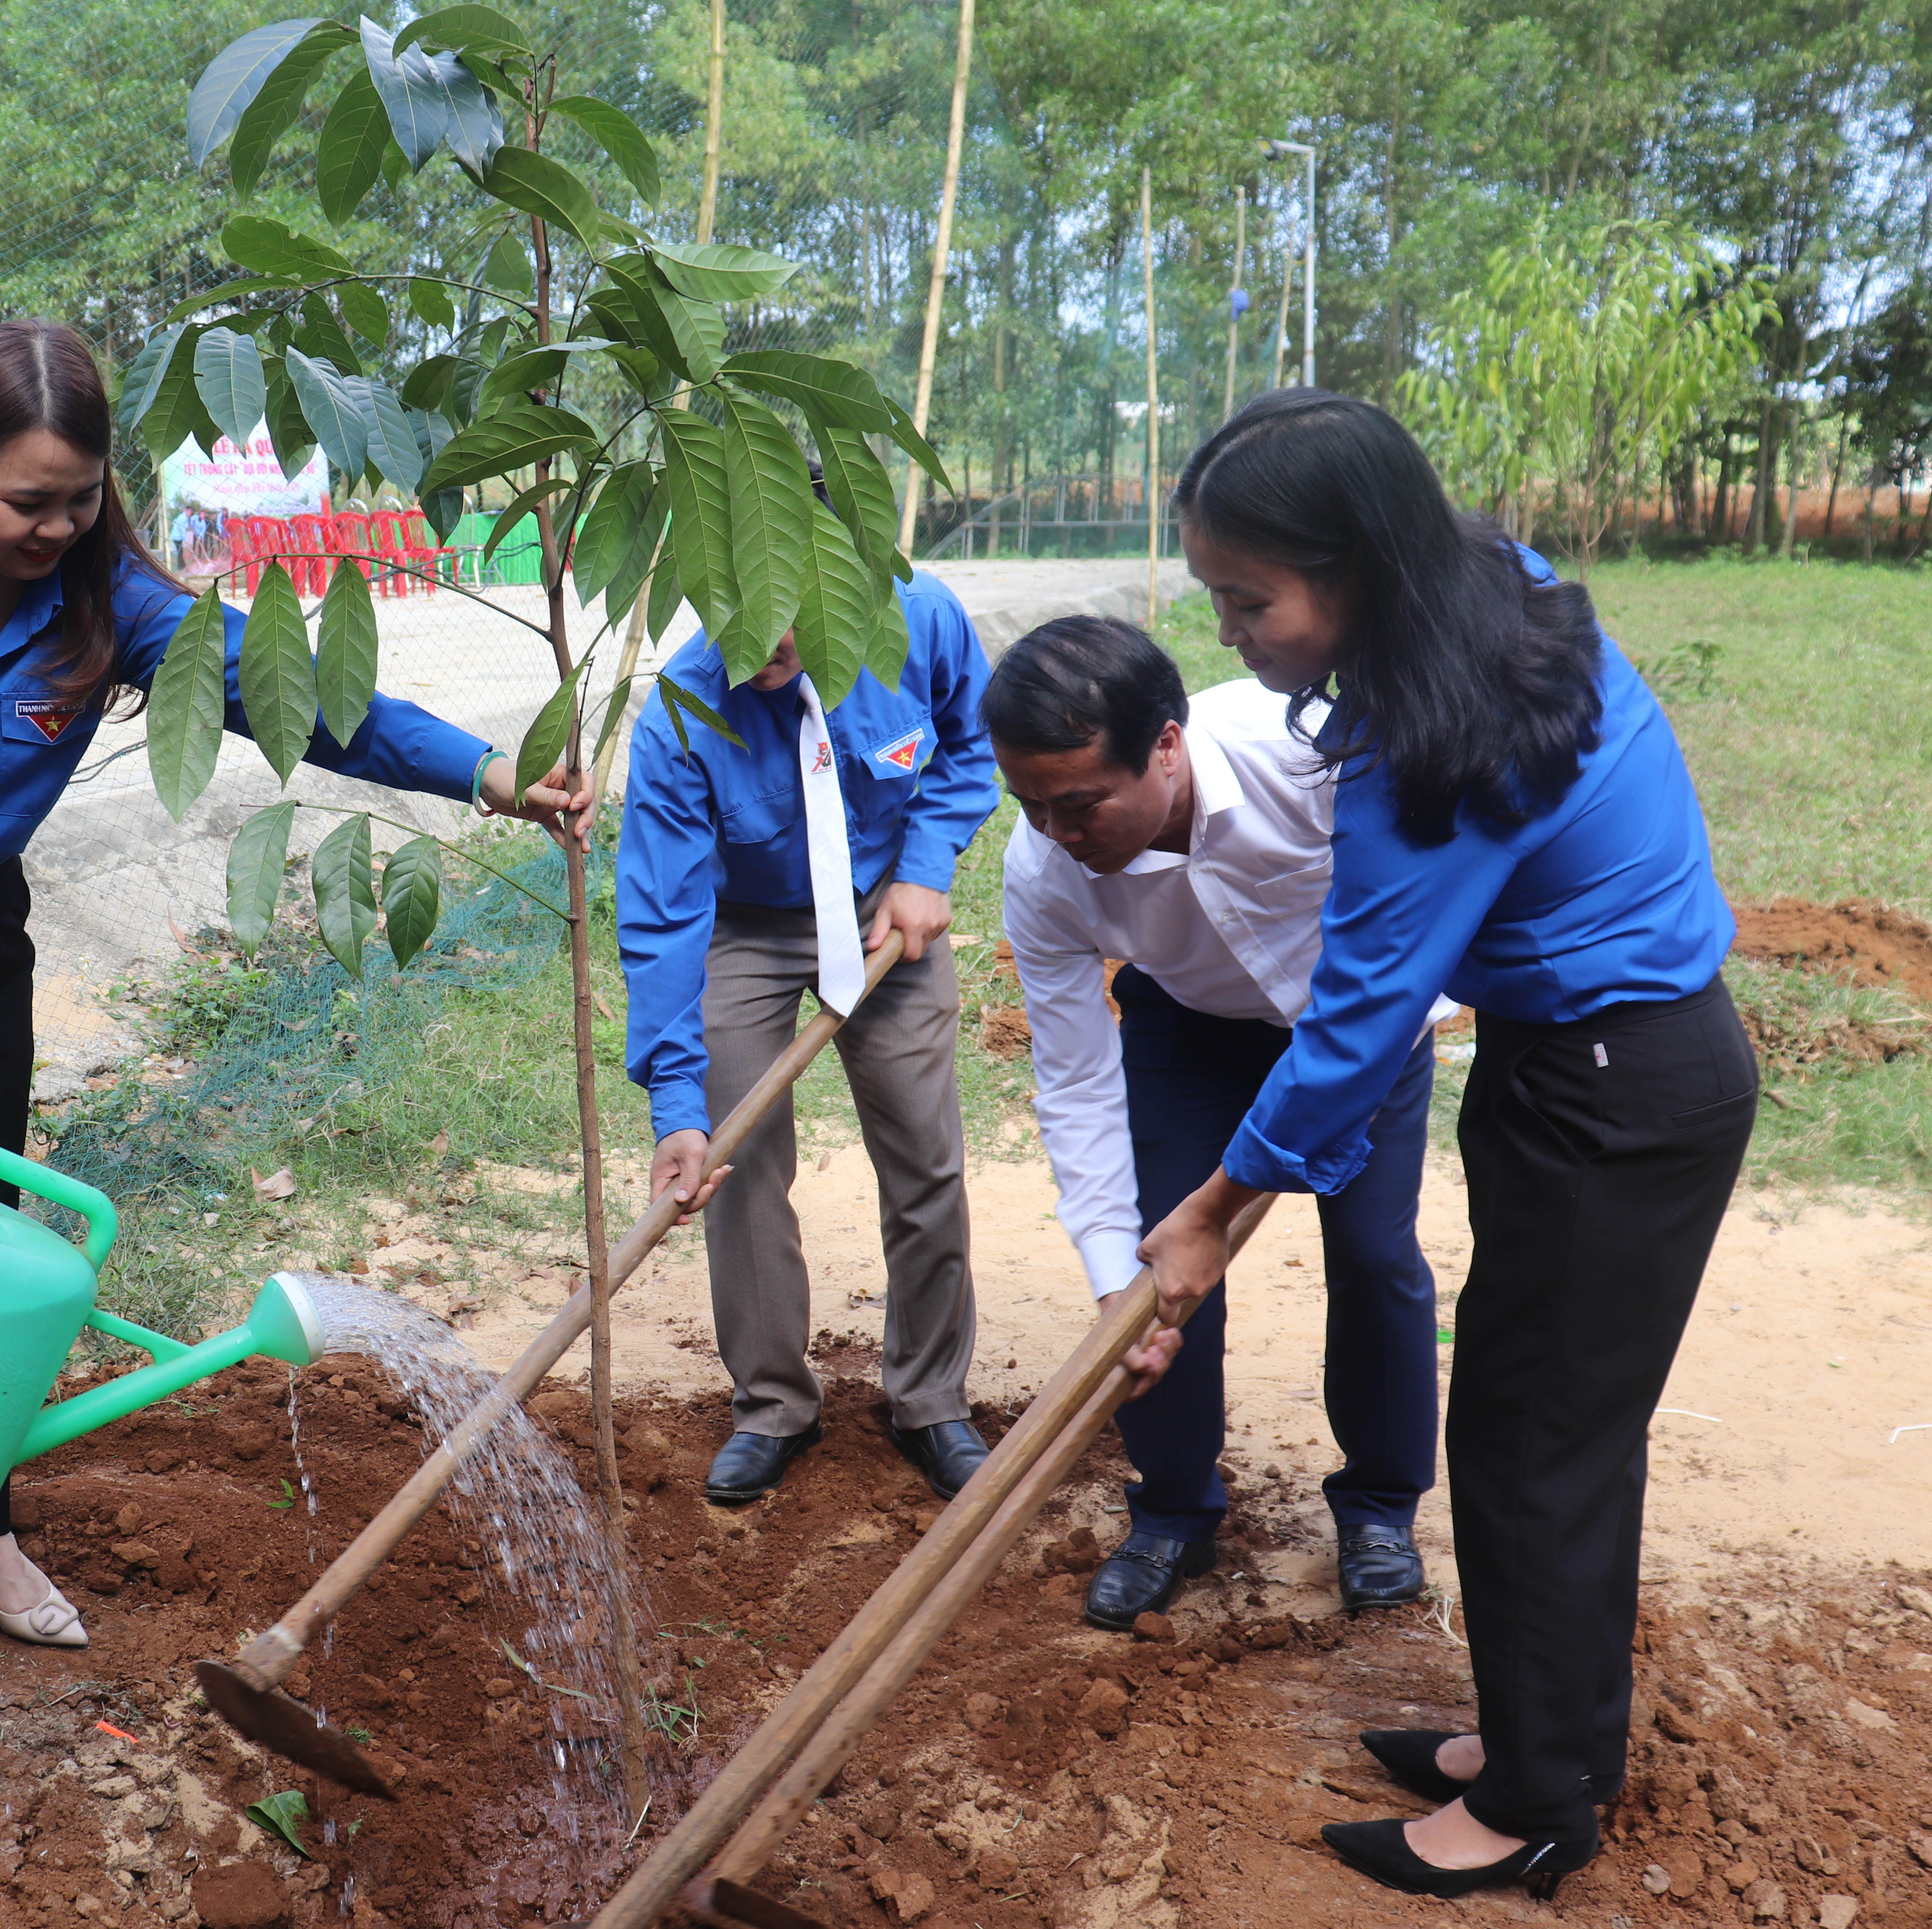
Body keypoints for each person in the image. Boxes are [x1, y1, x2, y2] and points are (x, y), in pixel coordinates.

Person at [0, 317, 593, 1706]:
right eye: (28, 500)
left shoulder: (114, 603)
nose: (58, 527)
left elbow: (301, 703)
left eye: (83, 500)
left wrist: (491, 774)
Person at [1135, 390, 1756, 1902]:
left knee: (1535, 1453)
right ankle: (1548, 1742)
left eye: (1247, 598)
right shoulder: (1502, 588)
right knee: (1547, 1443)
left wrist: (1211, 1211)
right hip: (1624, 1066)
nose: (1228, 632)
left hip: (1611, 1094)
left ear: (1355, 569)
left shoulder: (1429, 748)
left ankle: (1539, 1807)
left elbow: (1355, 1028)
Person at [989, 617, 1442, 1631]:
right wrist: (1116, 1276)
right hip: (1190, 1031)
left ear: (1165, 743)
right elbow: (1074, 1077)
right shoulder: (1042, 869)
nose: (1058, 833)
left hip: (1358, 1028)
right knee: (1159, 1267)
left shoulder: (1306, 757)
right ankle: (1173, 1511)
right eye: (1030, 806)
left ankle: (1378, 1505)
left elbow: (1417, 906)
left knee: (1373, 1255)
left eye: (1079, 803)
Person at [618, 550, 1000, 1506]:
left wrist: (926, 865)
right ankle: (772, 1403)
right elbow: (665, 918)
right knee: (731, 1152)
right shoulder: (682, 712)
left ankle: (932, 1398)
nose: (762, 646)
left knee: (923, 1150)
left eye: (783, 615)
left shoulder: (916, 618)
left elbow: (974, 737)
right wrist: (676, 1106)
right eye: (732, 618)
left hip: (885, 901)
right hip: (746, 922)